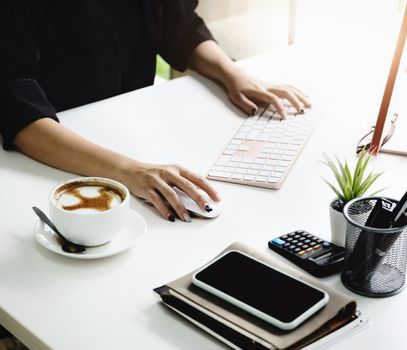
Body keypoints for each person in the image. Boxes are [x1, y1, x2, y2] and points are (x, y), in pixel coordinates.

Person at [0, 0, 310, 222]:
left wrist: (232, 74)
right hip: (48, 162)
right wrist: (128, 172)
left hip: (131, 138)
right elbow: (18, 109)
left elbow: (179, 25)